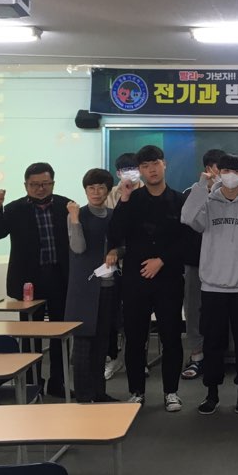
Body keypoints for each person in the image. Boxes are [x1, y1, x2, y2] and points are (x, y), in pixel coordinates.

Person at [182, 153, 238, 415]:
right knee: (213, 343)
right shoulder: (207, 201)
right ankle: (212, 393)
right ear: (218, 173)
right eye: (227, 171)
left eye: (237, 171)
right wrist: (202, 186)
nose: (231, 175)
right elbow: (187, 218)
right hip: (213, 286)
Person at [108, 145, 187, 412]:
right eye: (145, 166)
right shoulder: (131, 200)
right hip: (135, 279)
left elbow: (187, 240)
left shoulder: (179, 200)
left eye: (155, 164)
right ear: (140, 170)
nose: (151, 170)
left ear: (164, 165)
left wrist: (162, 260)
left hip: (169, 278)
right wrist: (124, 199)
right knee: (135, 337)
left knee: (171, 336)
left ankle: (171, 392)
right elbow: (115, 234)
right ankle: (136, 392)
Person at [0, 162, 71, 397]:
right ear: (26, 185)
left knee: (60, 332)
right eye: (34, 184)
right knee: (30, 334)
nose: (40, 188)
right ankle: (34, 383)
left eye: (45, 183)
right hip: (29, 282)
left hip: (60, 277)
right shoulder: (15, 209)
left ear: (53, 183)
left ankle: (58, 382)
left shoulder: (65, 205)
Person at [64, 168, 120, 403]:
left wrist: (116, 251)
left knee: (102, 342)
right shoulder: (77, 215)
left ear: (108, 191)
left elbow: (122, 243)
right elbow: (78, 247)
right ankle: (83, 395)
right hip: (84, 288)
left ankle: (99, 392)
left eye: (101, 188)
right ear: (85, 190)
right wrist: (75, 219)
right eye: (91, 188)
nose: (96, 192)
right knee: (83, 344)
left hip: (108, 287)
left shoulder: (113, 215)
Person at [180, 148, 226, 382]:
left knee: (220, 311)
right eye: (221, 168)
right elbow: (186, 225)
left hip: (223, 264)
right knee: (194, 311)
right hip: (195, 263)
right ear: (209, 169)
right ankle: (197, 355)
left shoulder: (232, 194)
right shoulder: (191, 192)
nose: (225, 173)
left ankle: (219, 355)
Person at [103, 152, 141, 381]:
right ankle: (113, 357)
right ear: (118, 173)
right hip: (114, 263)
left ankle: (136, 359)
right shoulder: (109, 195)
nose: (131, 173)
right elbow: (109, 229)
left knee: (136, 316)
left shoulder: (150, 191)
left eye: (134, 168)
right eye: (126, 169)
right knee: (112, 313)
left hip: (141, 262)